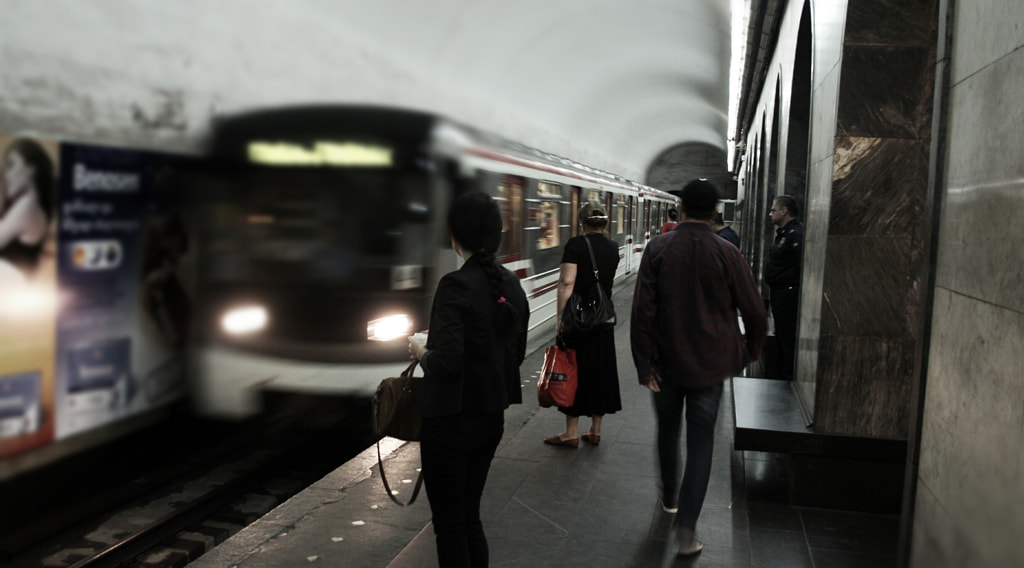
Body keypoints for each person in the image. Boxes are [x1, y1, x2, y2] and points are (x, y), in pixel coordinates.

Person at [630, 178, 767, 557]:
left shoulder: (657, 249)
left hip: (667, 362)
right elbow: (755, 310)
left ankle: (670, 497)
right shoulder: (728, 253)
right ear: (714, 213)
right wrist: (751, 349)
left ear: (683, 208)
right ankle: (687, 528)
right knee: (702, 440)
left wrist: (645, 364)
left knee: (668, 429)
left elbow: (642, 311)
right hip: (710, 365)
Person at [408, 191, 529, 568]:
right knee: (470, 517)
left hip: (450, 422)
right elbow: (514, 355)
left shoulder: (455, 285)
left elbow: (446, 364)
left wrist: (418, 351)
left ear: (455, 234)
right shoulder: (511, 285)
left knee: (448, 525)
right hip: (490, 419)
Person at [544, 201, 621, 447]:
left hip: (578, 320)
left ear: (582, 222)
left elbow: (567, 282)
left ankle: (570, 433)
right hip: (602, 318)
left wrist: (560, 319)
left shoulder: (576, 245)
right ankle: (595, 430)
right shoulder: (612, 247)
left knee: (574, 370)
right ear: (605, 223)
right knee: (601, 371)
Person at [0, 138, 54, 280]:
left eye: (11, 165)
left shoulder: (26, 207)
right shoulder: (30, 202)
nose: (6, 175)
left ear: (31, 168)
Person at [764, 194, 803, 381]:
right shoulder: (784, 234)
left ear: (784, 211)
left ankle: (787, 376)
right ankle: (781, 372)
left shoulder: (795, 234)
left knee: (787, 338)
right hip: (780, 294)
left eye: (773, 210)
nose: (770, 213)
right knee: (781, 335)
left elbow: (800, 263)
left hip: (788, 295)